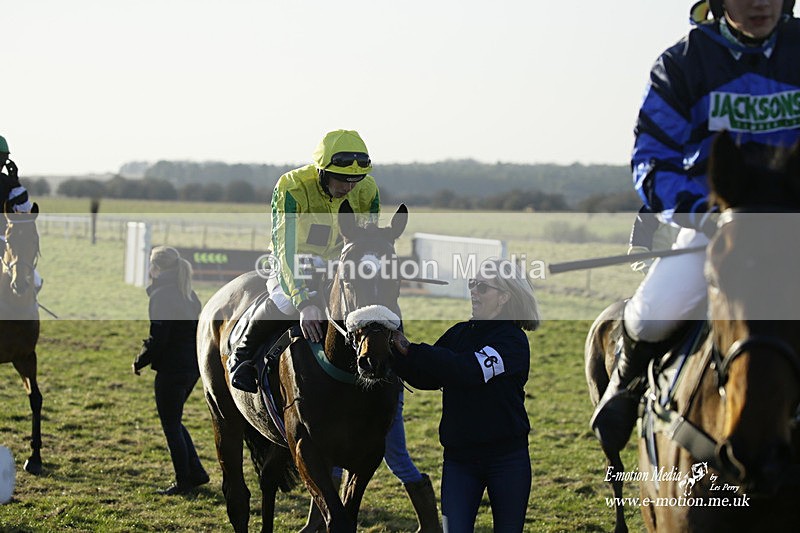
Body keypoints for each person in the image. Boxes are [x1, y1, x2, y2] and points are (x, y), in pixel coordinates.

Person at [591, 0, 800, 453]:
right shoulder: (682, 62)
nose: (761, 3)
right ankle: (623, 392)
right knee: (653, 312)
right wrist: (703, 216)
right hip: (716, 223)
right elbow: (653, 157)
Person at [228, 129, 441, 528]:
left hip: (345, 266)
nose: (349, 187)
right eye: (342, 179)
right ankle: (242, 354)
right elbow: (285, 248)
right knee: (288, 301)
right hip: (298, 264)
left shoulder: (367, 190)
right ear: (322, 171)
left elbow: (367, 238)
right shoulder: (292, 187)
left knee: (374, 309)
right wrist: (309, 300)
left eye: (355, 181)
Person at [390, 259, 540, 533]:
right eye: (472, 284)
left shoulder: (513, 342)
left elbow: (469, 370)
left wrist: (414, 351)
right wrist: (392, 353)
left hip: (507, 461)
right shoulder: (459, 334)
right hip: (459, 461)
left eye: (482, 287)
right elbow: (428, 376)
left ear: (504, 298)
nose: (474, 291)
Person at [133, 246, 209, 495]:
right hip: (192, 366)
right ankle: (196, 473)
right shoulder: (186, 291)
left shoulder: (161, 295)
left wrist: (139, 360)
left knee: (171, 424)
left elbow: (160, 338)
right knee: (175, 420)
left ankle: (184, 481)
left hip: (173, 368)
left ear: (155, 268)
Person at [0, 134, 43, 293]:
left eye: (1, 158)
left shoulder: (11, 185)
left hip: (8, 242)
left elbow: (25, 213)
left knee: (36, 281)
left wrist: (16, 183)